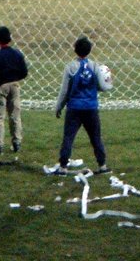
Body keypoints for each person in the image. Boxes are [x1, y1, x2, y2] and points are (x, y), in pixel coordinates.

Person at [53, 36, 111, 176]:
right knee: (95, 137)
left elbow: (65, 90)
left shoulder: (71, 67)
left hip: (74, 108)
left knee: (68, 137)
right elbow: (103, 87)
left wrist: (59, 106)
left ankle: (63, 167)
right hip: (91, 107)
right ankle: (102, 165)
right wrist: (108, 82)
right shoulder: (95, 66)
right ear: (90, 50)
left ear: (75, 50)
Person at [0, 26, 29, 155]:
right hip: (14, 86)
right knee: (15, 115)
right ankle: (16, 142)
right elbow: (24, 72)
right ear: (10, 39)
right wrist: (14, 78)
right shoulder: (17, 54)